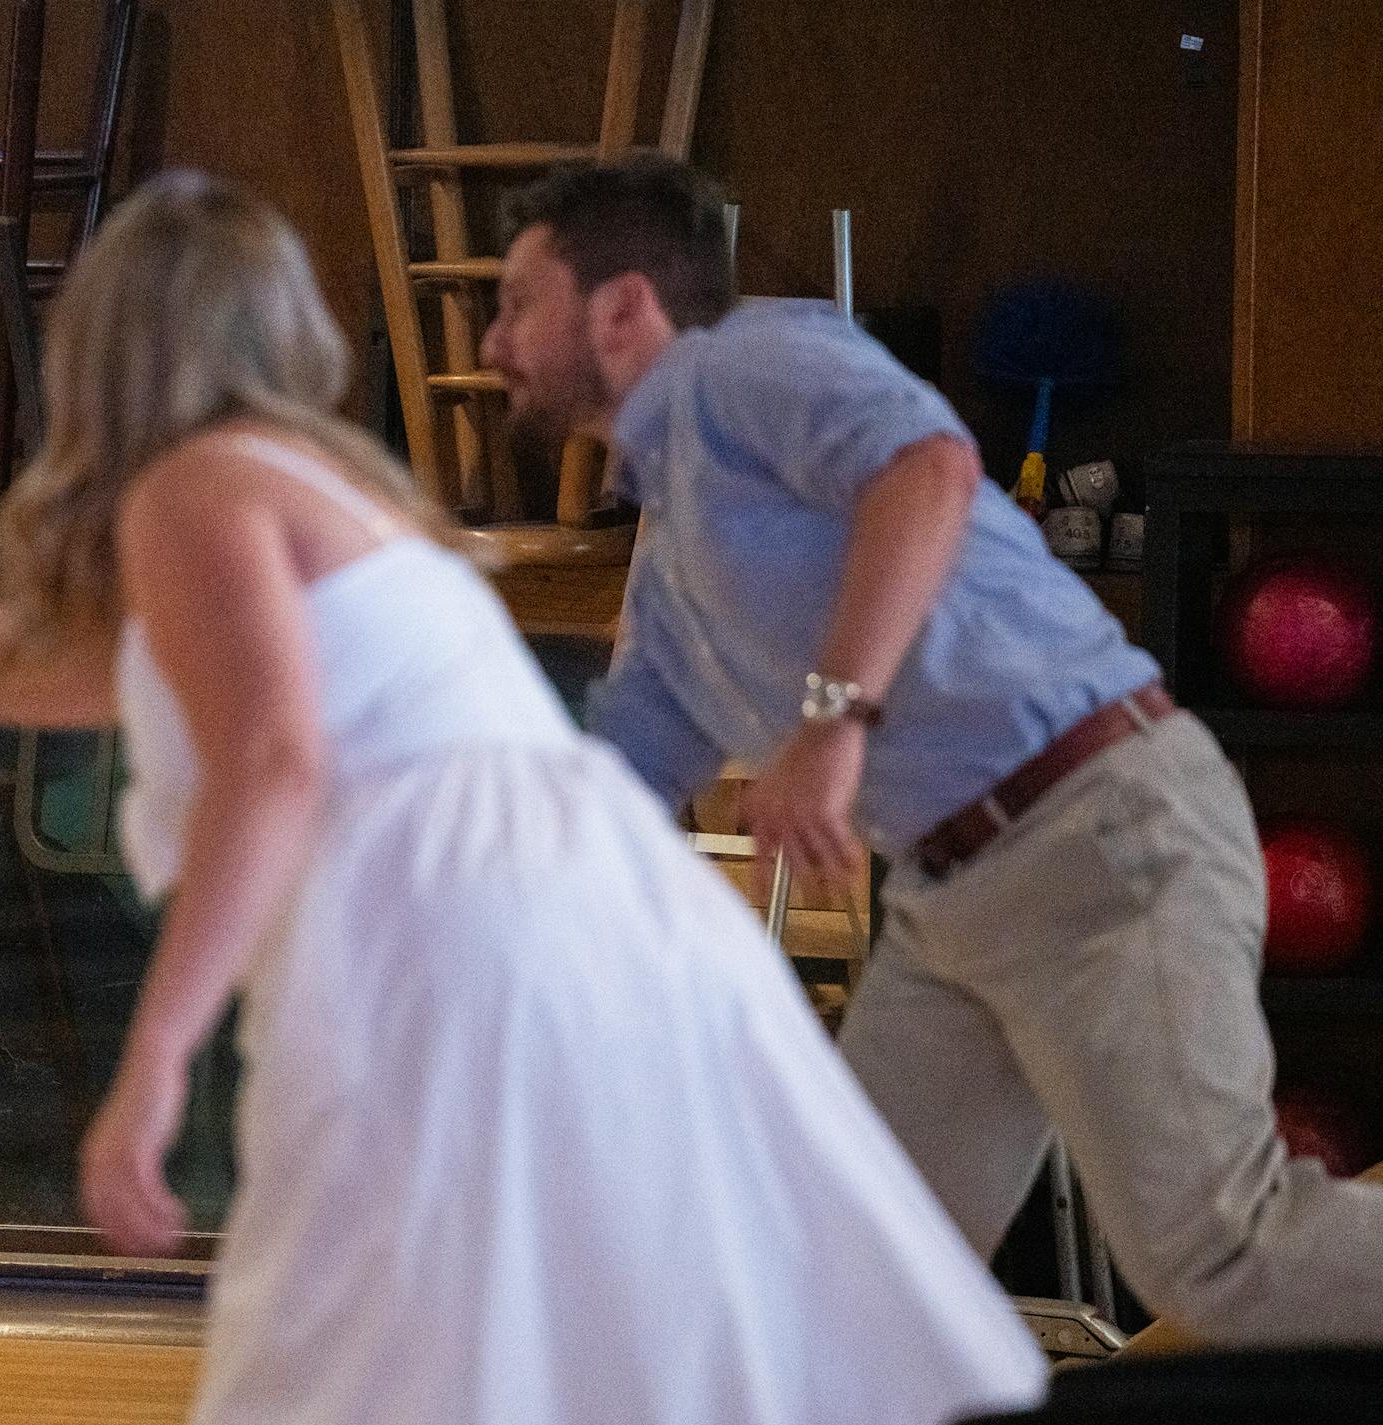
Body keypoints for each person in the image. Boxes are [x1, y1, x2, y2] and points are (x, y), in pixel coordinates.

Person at [0, 170, 1043, 1425]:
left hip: (452, 948)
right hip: (589, 928)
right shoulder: (314, 488)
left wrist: (155, 1062)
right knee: (567, 1367)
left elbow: (275, 762)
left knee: (355, 1387)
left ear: (103, 346)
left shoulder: (198, 489)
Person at [479, 151, 1383, 1346]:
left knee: (1222, 1257)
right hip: (958, 906)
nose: (492, 342)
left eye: (517, 303)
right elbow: (619, 777)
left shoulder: (743, 363)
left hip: (1099, 836)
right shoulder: (680, 554)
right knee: (858, 1290)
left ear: (623, 308)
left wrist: (831, 723)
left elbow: (930, 471)